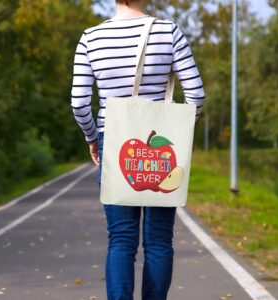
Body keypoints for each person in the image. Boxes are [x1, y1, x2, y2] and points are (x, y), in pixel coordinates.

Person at [70, 0, 206, 299]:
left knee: (120, 239)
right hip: (160, 150)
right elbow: (196, 94)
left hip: (115, 144)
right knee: (159, 241)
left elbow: (79, 103)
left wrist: (92, 138)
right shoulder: (169, 32)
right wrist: (178, 131)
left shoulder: (90, 38)